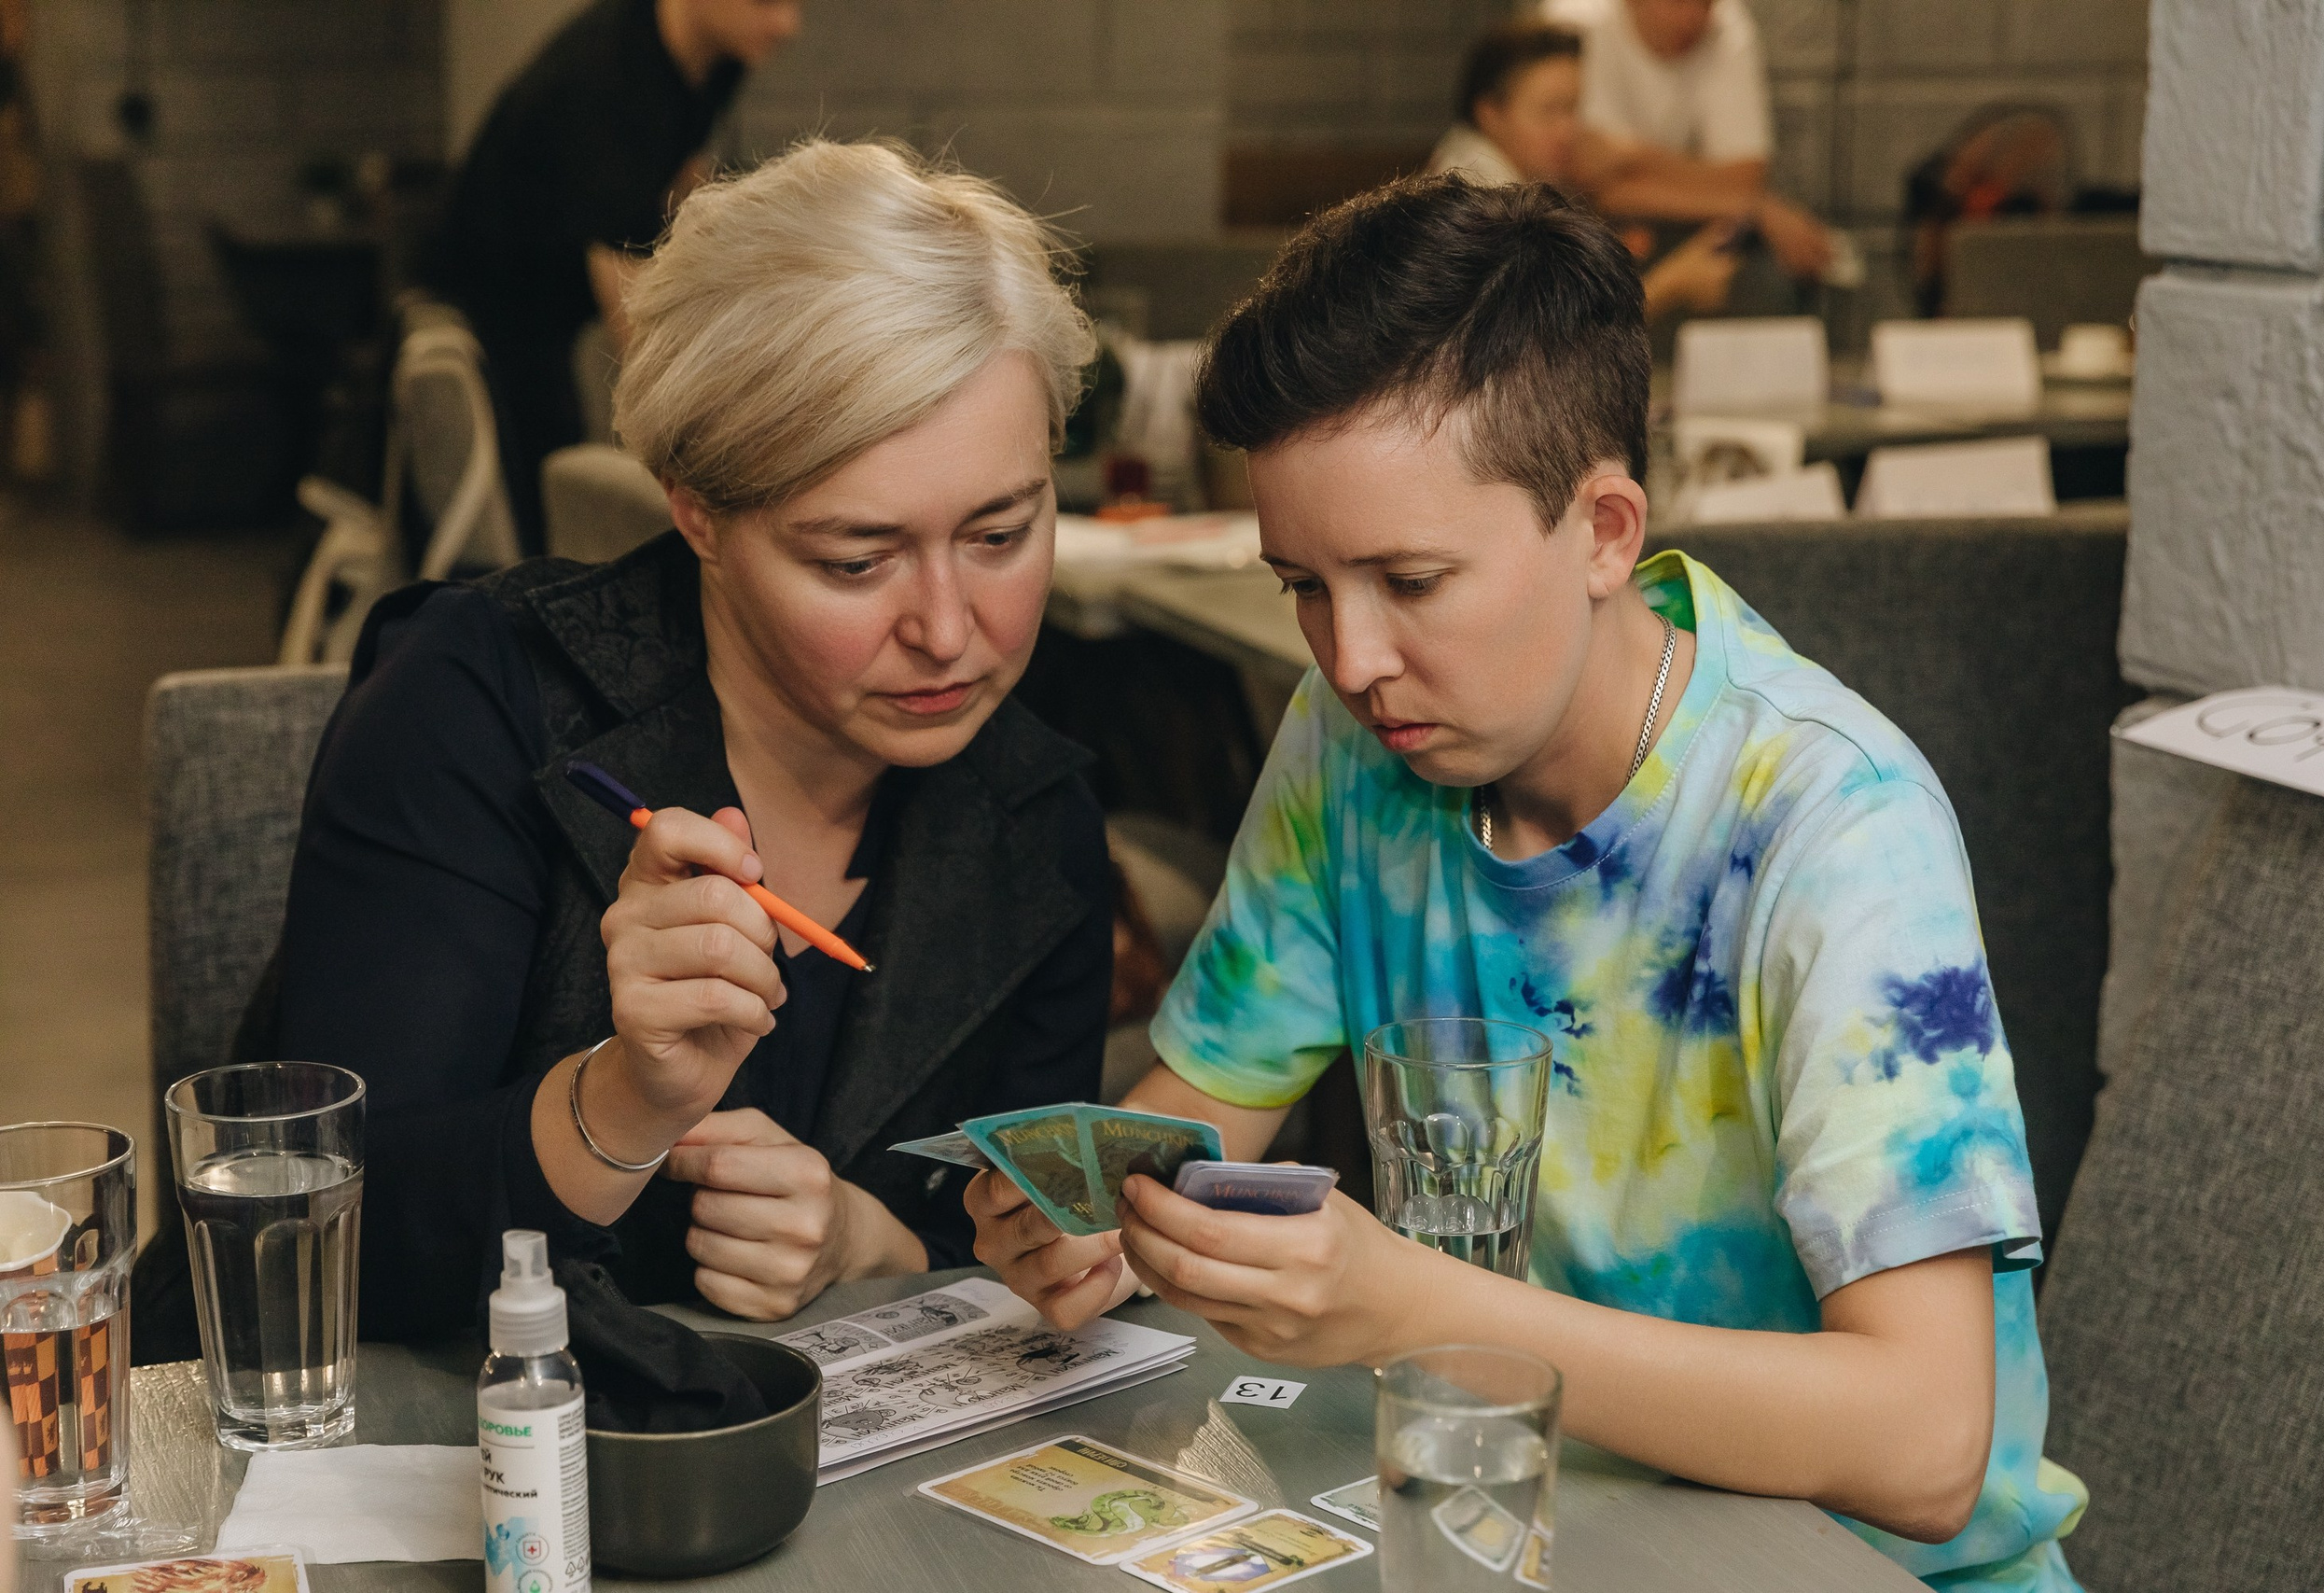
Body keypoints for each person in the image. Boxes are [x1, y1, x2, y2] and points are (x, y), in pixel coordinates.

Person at [967, 175, 2087, 1591]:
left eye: (1412, 581)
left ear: (1607, 529)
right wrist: (1107, 1221)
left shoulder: (1832, 823)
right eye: (1303, 584)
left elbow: (1927, 1444)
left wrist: (1415, 1309)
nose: (1351, 655)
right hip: (1524, 1524)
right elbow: (1201, 1112)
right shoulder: (1351, 744)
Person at [134, 140, 1110, 1352]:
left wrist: (873, 1240)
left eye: (1002, 533)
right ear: (697, 509)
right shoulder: (472, 704)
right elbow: (301, 1243)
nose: (950, 629)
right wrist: (618, 1101)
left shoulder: (1039, 818)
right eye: (857, 559)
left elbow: (1014, 1240)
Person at [417, 0, 803, 552]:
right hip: (495, 313)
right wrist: (715, 443)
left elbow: (681, 181)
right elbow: (631, 306)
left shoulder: (719, 59)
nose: (788, 25)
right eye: (767, 2)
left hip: (547, 308)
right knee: (537, 508)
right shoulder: (608, 80)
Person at [1427, 18, 1740, 320]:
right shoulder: (1483, 191)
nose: (1568, 131)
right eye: (1550, 111)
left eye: (1574, 108)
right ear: (1490, 115)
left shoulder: (1481, 165)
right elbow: (1551, 338)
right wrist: (1672, 285)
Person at [1541, 0, 1837, 281]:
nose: (1693, 18)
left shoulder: (1727, 25)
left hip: (1674, 235)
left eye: (1706, 2)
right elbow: (1591, 186)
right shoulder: (1575, 22)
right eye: (1676, 2)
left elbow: (1745, 180)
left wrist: (1631, 155)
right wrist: (1751, 205)